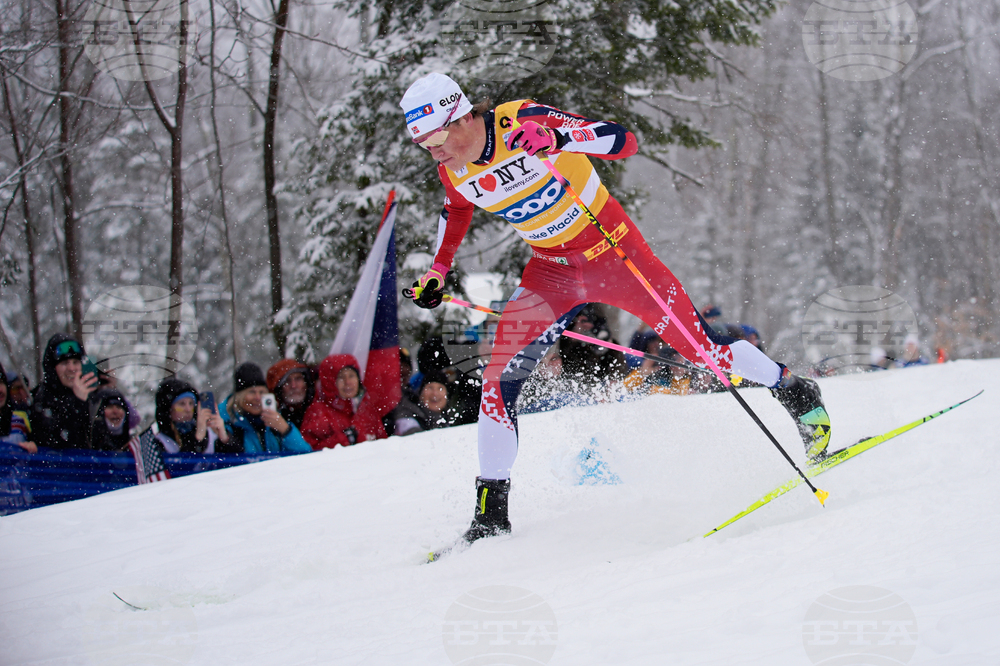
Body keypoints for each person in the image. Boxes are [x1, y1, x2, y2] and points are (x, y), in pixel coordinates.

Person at [398, 72, 831, 546]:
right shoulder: (453, 169)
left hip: (616, 255)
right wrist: (438, 269)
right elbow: (456, 209)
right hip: (551, 271)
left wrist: (559, 139)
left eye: (435, 138)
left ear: (461, 117)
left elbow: (623, 140)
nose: (433, 152)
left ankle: (795, 390)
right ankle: (491, 516)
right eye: (422, 144)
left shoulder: (519, 119)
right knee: (498, 380)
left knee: (703, 351)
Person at [220, 362, 311, 455]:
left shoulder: (278, 421)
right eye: (251, 392)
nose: (257, 398)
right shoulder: (227, 423)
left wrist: (286, 430)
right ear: (239, 397)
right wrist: (228, 440)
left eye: (261, 392)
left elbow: (305, 456)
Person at [301, 354, 388, 449]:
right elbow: (309, 451)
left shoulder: (367, 408)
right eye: (341, 377)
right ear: (330, 382)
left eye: (351, 376)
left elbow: (384, 446)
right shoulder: (318, 412)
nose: (348, 382)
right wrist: (343, 440)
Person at [29, 334, 98, 451]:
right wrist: (78, 404)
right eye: (64, 363)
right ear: (53, 368)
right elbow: (52, 441)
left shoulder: (94, 396)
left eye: (75, 362)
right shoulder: (41, 399)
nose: (71, 369)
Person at [155, 377, 235, 454]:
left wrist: (225, 439)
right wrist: (198, 439)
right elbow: (183, 461)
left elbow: (236, 459)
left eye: (191, 403)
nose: (188, 409)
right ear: (168, 409)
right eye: (182, 404)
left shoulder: (210, 434)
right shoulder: (159, 441)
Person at [392, 369, 461, 436]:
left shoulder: (452, 417)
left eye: (440, 388)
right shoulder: (407, 414)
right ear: (420, 393)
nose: (435, 393)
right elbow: (414, 438)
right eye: (430, 388)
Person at [266, 360, 316, 430]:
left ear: (307, 382)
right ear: (279, 388)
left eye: (298, 379)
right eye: (287, 381)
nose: (293, 386)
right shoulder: (269, 418)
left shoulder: (320, 411)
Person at [0, 360, 36, 454]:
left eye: (1, 382)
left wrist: (32, 449)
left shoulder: (19, 422)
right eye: (16, 389)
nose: (0, 390)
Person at [89, 388, 135, 452]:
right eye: (110, 407)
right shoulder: (88, 443)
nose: (115, 412)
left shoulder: (133, 446)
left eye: (119, 407)